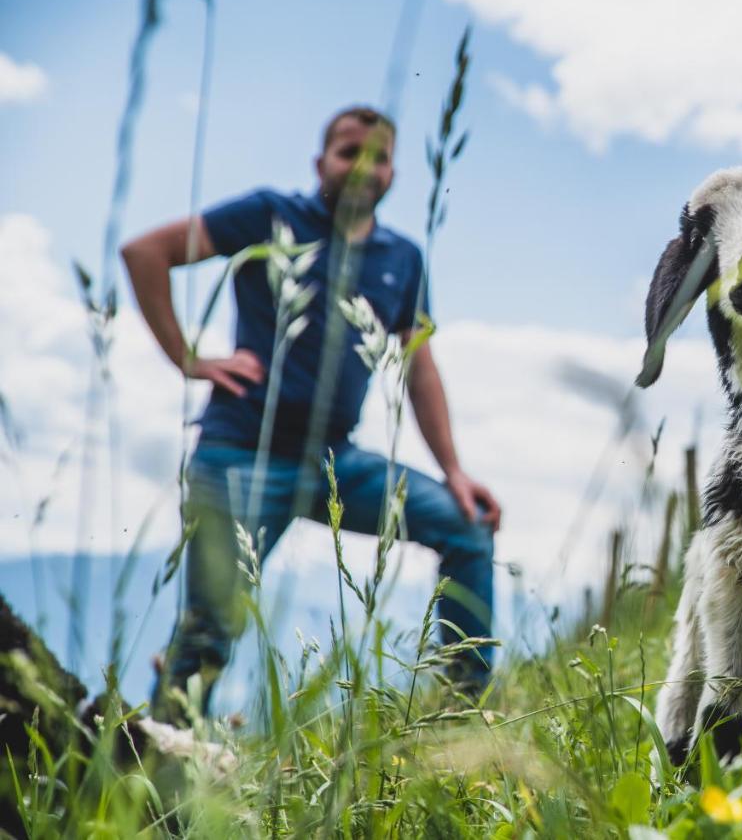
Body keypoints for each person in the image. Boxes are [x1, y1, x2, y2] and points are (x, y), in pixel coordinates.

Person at [122, 105, 501, 722]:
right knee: (208, 637)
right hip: (239, 454)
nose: (364, 168)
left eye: (379, 157)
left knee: (467, 528)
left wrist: (454, 470)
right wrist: (188, 358)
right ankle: (158, 774)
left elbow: (419, 367)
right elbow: (146, 252)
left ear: (394, 173)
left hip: (335, 460)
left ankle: (460, 717)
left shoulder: (402, 258)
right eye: (349, 152)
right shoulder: (272, 215)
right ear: (320, 162)